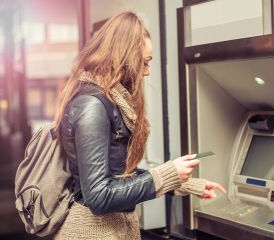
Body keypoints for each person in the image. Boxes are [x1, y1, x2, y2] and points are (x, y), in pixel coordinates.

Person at [53, 11, 226, 240]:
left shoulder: (110, 101)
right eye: (143, 63)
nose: (147, 72)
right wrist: (166, 174)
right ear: (123, 58)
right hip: (90, 233)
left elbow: (120, 176)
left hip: (113, 230)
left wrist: (182, 183)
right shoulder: (92, 105)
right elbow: (98, 195)